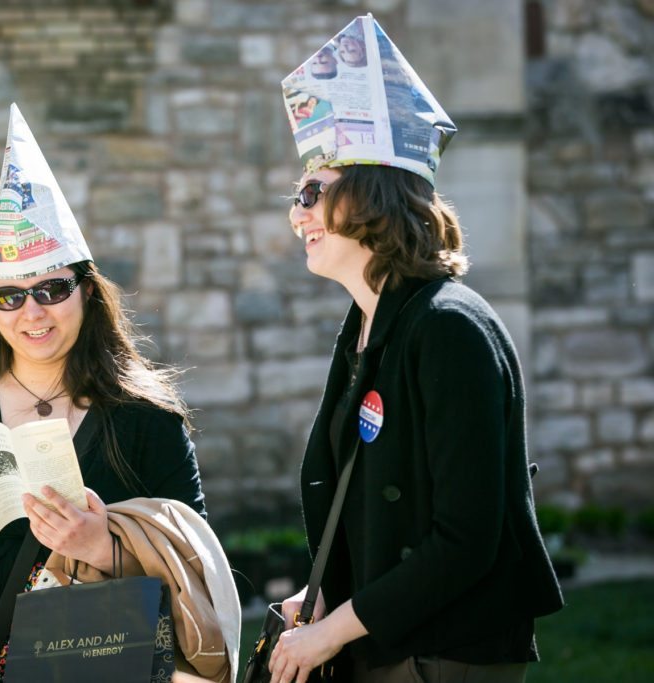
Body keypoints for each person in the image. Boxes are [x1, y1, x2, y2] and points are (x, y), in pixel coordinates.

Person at [269, 15, 563, 683]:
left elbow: (463, 540)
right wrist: (320, 595)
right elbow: (372, 503)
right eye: (297, 195)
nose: (297, 213)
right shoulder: (369, 323)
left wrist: (329, 634)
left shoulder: (450, 328)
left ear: (372, 194)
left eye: (313, 191)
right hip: (389, 645)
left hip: (444, 654)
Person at [0, 104, 206, 683]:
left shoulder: (143, 417)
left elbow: (204, 571)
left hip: (95, 661)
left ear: (88, 292)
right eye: (9, 296)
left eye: (52, 289)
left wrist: (102, 547)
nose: (32, 312)